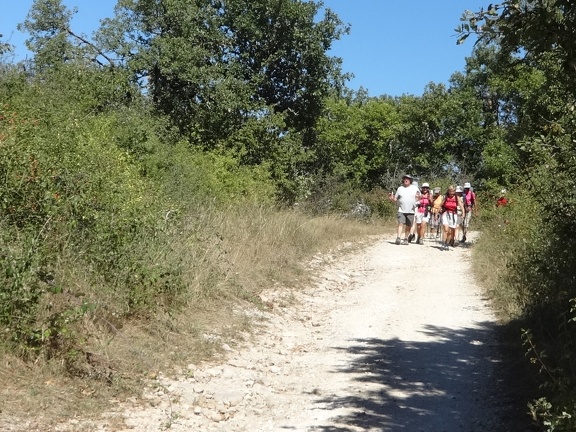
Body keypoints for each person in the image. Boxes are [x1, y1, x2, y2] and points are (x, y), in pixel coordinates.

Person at [388, 174, 420, 245]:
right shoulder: (400, 188)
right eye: (405, 179)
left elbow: (419, 197)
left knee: (408, 225)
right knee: (400, 223)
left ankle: (405, 238)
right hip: (401, 210)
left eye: (408, 179)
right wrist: (391, 198)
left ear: (410, 180)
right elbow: (395, 199)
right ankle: (398, 238)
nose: (406, 180)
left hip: (411, 210)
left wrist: (417, 200)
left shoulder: (415, 188)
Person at [440, 185, 465, 251]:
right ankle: (443, 243)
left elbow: (461, 206)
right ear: (448, 191)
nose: (452, 192)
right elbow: (441, 205)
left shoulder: (457, 198)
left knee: (451, 231)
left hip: (453, 214)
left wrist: (463, 213)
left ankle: (447, 243)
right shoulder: (445, 197)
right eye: (451, 191)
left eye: (453, 191)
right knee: (446, 229)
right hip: (446, 213)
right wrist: (438, 210)